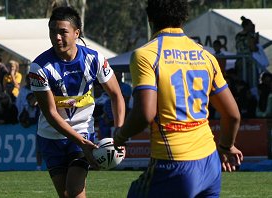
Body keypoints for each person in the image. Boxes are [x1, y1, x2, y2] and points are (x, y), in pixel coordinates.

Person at [114, 1, 243, 197]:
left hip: (174, 162)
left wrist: (120, 136)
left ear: (150, 19)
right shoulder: (206, 55)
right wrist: (226, 146)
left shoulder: (146, 55)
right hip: (210, 164)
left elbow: (145, 114)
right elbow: (233, 115)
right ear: (184, 18)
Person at [29, 6, 125, 198]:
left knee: (74, 190)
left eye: (63, 32)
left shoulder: (95, 59)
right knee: (65, 195)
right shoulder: (39, 67)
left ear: (76, 33)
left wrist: (119, 134)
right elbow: (51, 113)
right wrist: (83, 143)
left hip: (83, 131)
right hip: (50, 136)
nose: (56, 37)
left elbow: (116, 95)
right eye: (52, 32)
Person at [235, 16, 258, 88]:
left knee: (242, 81)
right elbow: (253, 47)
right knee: (252, 81)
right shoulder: (249, 35)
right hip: (249, 61)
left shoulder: (238, 35)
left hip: (239, 61)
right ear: (247, 26)